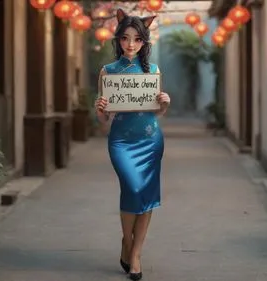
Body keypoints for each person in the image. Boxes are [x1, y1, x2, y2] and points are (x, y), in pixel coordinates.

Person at [94, 8, 171, 281]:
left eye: (137, 39)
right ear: (118, 39)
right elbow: (104, 120)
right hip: (121, 142)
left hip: (150, 140)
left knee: (146, 195)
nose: (130, 44)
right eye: (125, 38)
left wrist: (165, 104)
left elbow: (157, 113)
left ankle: (135, 253)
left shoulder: (154, 71)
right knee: (132, 188)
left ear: (144, 42)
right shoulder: (108, 71)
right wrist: (100, 108)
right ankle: (127, 241)